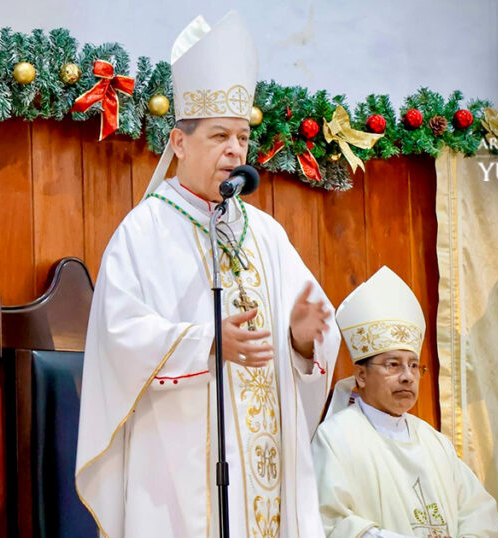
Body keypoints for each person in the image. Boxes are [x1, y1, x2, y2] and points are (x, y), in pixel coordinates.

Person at [75, 11, 340, 537]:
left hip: (268, 466)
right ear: (178, 142)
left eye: (242, 137)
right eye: (220, 135)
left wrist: (305, 340)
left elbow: (305, 341)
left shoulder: (266, 234)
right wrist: (211, 344)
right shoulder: (144, 231)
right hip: (177, 468)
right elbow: (120, 337)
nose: (235, 150)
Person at [312, 266, 498, 538]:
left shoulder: (435, 443)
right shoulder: (335, 438)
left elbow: (479, 512)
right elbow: (330, 523)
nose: (408, 377)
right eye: (393, 365)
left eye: (414, 366)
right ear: (361, 375)